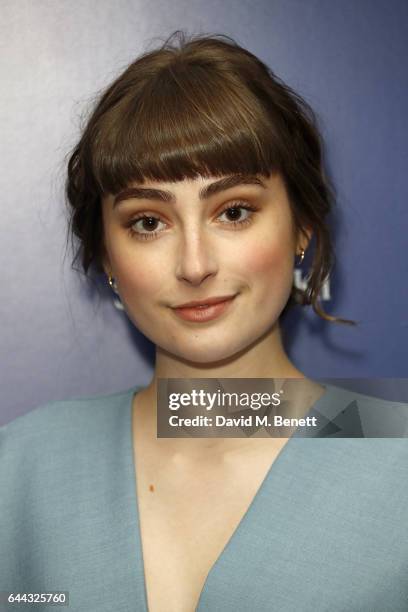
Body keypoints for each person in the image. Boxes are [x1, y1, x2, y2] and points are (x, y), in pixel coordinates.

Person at [1, 31, 407, 612]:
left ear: (302, 227)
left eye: (234, 211)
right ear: (107, 255)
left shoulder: (397, 449)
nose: (195, 265)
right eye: (147, 222)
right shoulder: (24, 465)